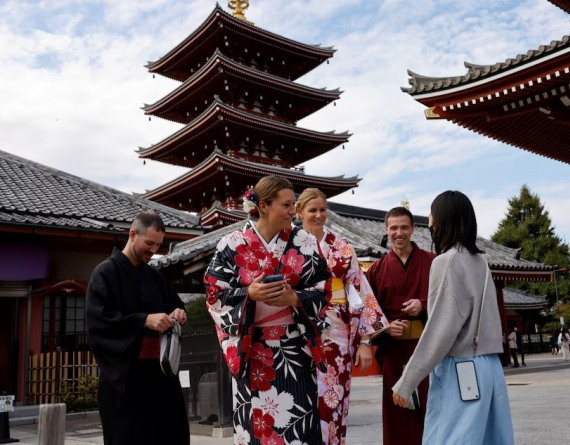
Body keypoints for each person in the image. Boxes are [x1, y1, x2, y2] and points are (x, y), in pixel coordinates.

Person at [204, 176, 331, 445]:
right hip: (253, 352)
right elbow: (214, 293)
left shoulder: (305, 242)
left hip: (294, 350)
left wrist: (295, 299)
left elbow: (324, 287)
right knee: (256, 429)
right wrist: (248, 294)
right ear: (263, 205)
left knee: (299, 426)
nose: (291, 211)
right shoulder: (231, 244)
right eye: (286, 205)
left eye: (293, 204)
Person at [391, 190, 514, 444]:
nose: (430, 221)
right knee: (490, 439)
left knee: (450, 438)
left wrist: (408, 380)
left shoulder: (445, 262)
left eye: (433, 215)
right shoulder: (481, 261)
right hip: (490, 366)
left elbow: (440, 330)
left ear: (442, 220)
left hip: (461, 367)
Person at [85, 211, 189, 445]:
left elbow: (175, 303)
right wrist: (144, 320)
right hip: (125, 380)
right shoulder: (105, 273)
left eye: (158, 245)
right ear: (133, 234)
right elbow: (98, 322)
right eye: (149, 243)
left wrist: (178, 312)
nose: (153, 250)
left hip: (161, 376)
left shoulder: (155, 276)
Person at [296, 188, 390, 444]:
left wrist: (364, 342)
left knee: (332, 400)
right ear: (299, 212)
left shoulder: (341, 247)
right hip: (296, 335)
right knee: (297, 400)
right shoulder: (288, 245)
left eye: (322, 210)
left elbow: (360, 291)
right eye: (312, 210)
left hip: (337, 338)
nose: (318, 215)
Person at [366, 206, 434, 445]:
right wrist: (386, 327)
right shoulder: (376, 270)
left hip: (427, 348)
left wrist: (424, 304)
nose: (399, 233)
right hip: (393, 351)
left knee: (430, 408)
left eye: (404, 227)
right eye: (393, 228)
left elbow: (448, 300)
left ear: (413, 229)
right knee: (397, 411)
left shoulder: (432, 262)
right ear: (386, 230)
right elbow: (367, 312)